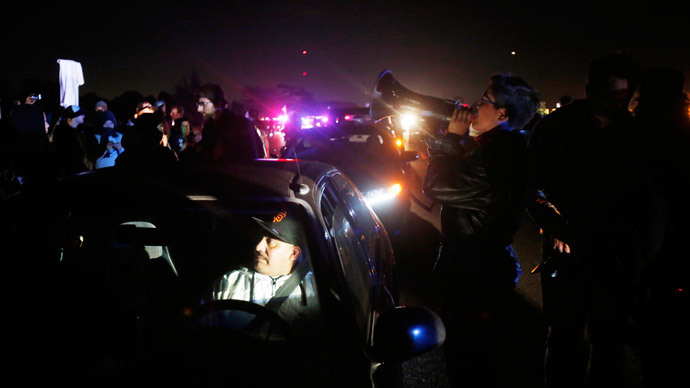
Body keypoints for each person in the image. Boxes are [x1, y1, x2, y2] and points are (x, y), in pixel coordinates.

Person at [527, 52, 643, 388]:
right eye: (608, 95)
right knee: (564, 339)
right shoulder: (553, 129)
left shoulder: (633, 132)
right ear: (589, 87)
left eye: (622, 97)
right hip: (567, 255)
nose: (615, 104)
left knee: (609, 343)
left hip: (615, 255)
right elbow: (530, 189)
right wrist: (559, 226)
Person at [422, 73, 541, 387]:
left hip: (474, 271)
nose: (475, 104)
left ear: (503, 114)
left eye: (485, 100)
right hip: (477, 265)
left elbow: (437, 186)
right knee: (474, 353)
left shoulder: (496, 155)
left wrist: (449, 140)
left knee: (468, 357)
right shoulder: (496, 147)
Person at [628, 67, 690, 388]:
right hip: (675, 262)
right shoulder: (681, 134)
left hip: (657, 264)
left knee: (658, 349)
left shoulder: (645, 141)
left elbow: (650, 210)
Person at [203, 210, 318, 325]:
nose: (258, 247)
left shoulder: (315, 287)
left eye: (270, 242)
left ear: (293, 253)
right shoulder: (229, 283)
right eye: (260, 239)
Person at [194, 83, 265, 163]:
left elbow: (251, 159)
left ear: (217, 103)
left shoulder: (240, 124)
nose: (198, 109)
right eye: (198, 104)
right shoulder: (208, 127)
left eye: (202, 104)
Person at [50, 105, 90, 176]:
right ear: (73, 117)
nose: (83, 116)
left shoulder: (79, 132)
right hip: (71, 173)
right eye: (80, 114)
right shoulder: (64, 135)